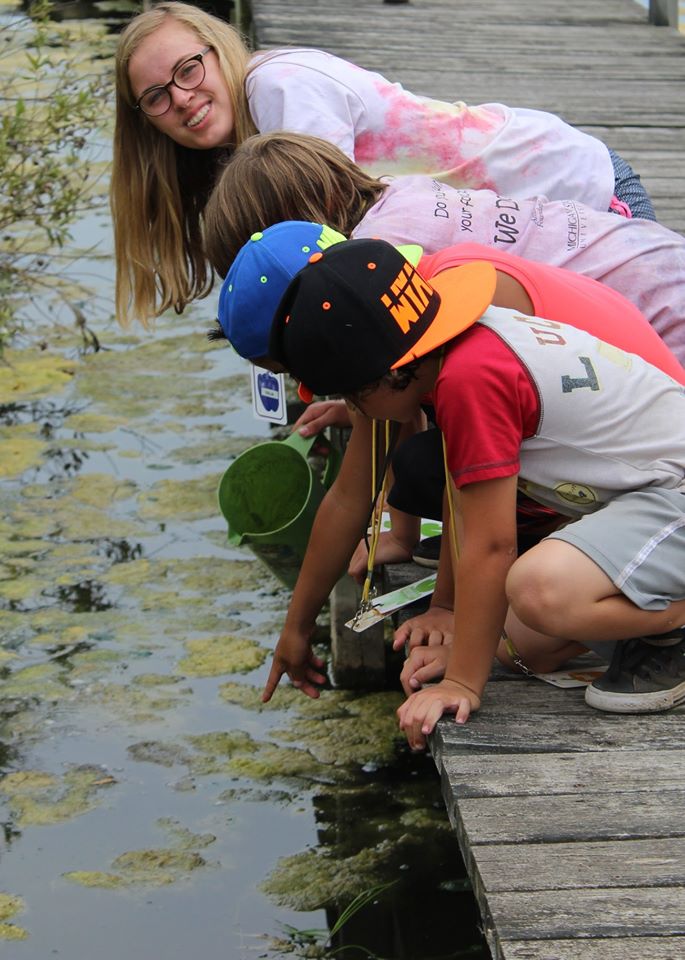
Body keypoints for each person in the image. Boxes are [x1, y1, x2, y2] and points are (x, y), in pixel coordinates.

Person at [212, 221, 685, 727]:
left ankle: (672, 628)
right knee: (521, 647)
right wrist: (455, 623)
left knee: (538, 592)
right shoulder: (457, 348)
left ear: (390, 372)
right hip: (642, 499)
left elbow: (489, 546)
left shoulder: (471, 380)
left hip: (669, 493)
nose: (354, 409)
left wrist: (462, 682)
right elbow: (463, 508)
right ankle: (657, 621)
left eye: (352, 395)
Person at [112, 1, 655, 328]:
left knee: (653, 365)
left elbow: (334, 255)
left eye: (188, 70)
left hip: (570, 189)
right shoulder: (249, 122)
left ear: (218, 48)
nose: (181, 98)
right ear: (146, 121)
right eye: (156, 96)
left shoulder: (278, 87)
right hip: (509, 232)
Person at [203, 132, 685, 366]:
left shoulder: (383, 253)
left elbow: (411, 370)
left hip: (653, 318)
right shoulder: (400, 192)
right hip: (648, 252)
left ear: (318, 210)